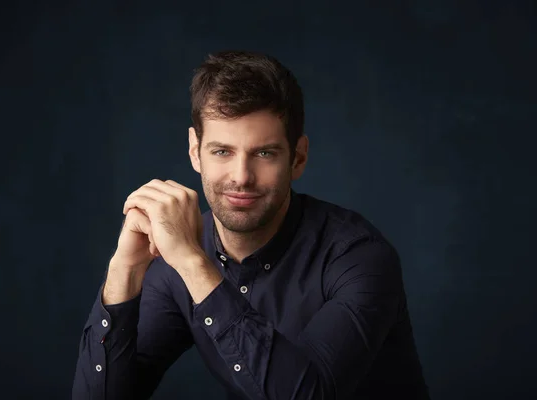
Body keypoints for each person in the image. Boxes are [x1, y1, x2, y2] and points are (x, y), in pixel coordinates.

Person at [72, 50, 430, 400]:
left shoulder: (359, 256)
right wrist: (125, 270)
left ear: (298, 157)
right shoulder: (175, 264)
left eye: (264, 153)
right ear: (195, 152)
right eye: (222, 151)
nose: (241, 177)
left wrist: (195, 266)